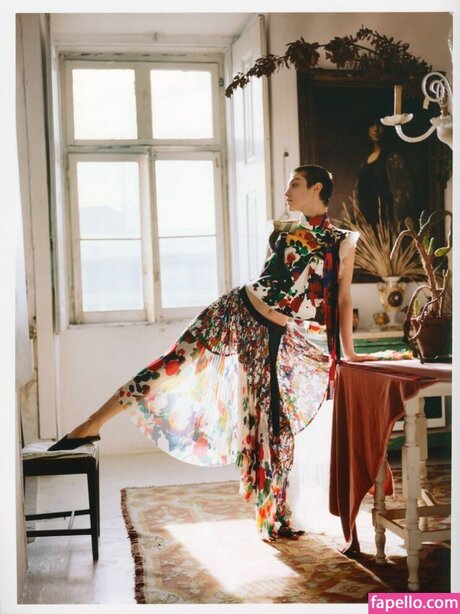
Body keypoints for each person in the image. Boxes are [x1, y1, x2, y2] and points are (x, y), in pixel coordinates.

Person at [49, 165, 374, 542]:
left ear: (317, 188)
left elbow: (342, 299)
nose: (287, 190)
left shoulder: (342, 241)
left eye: (295, 184)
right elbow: (268, 281)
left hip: (275, 333)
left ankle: (274, 513)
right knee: (173, 363)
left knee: (274, 423)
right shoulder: (281, 230)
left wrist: (348, 352)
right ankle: (92, 423)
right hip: (238, 309)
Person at [356, 119, 415, 228]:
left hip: (387, 222)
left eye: (380, 125)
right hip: (368, 223)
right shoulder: (364, 162)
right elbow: (360, 192)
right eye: (372, 125)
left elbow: (403, 195)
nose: (376, 129)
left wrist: (397, 223)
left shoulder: (393, 158)